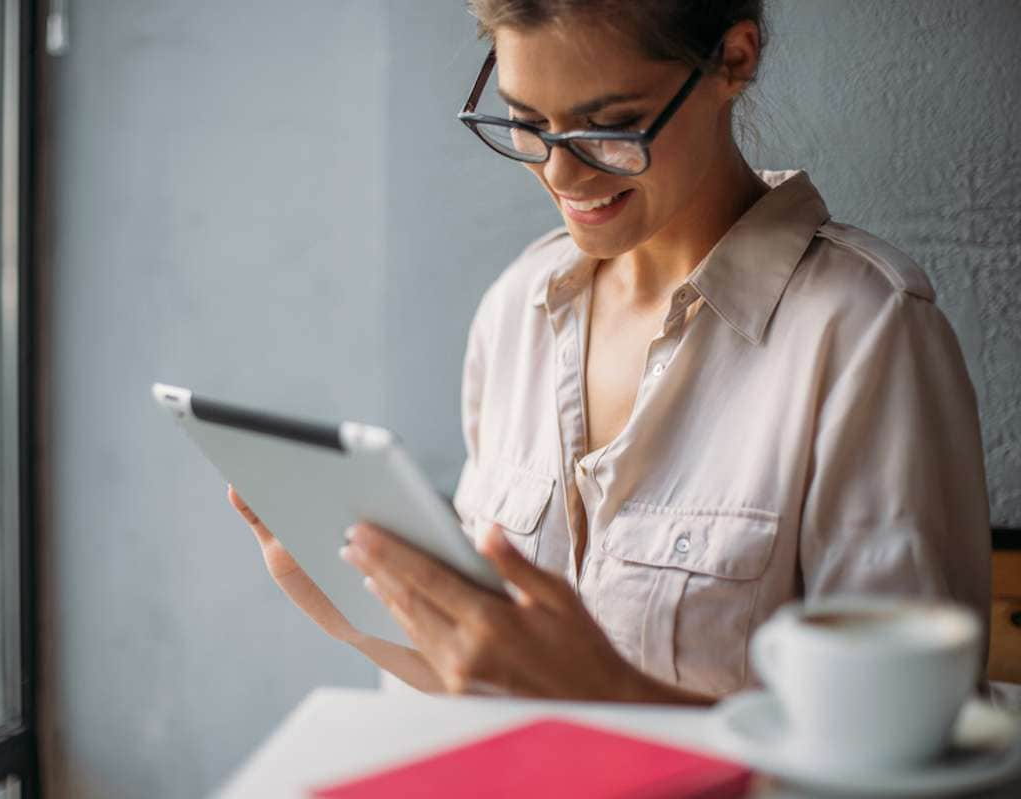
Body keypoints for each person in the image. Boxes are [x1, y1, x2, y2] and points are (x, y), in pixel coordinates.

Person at [229, 0, 992, 705]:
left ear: (733, 59)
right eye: (526, 121)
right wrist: (359, 612)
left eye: (609, 126)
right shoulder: (518, 309)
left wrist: (612, 693)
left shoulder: (864, 331)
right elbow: (492, 693)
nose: (561, 172)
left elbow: (908, 751)